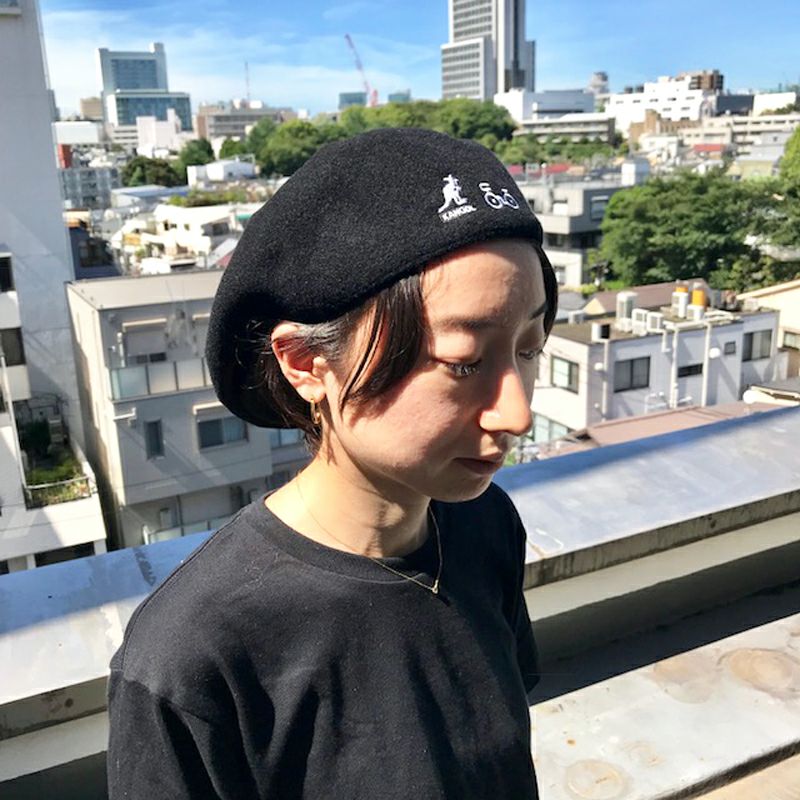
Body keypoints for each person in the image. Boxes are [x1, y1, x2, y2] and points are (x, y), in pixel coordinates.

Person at [107, 127, 558, 799]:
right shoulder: (193, 655)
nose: (516, 413)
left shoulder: (485, 524)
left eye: (530, 347)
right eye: (463, 362)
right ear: (307, 363)